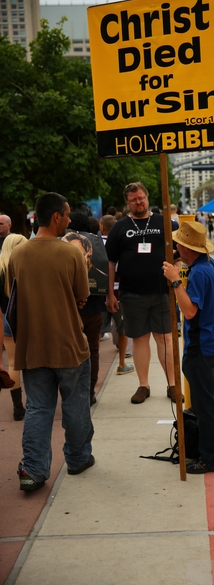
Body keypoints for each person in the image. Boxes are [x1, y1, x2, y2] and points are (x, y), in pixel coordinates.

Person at [8, 192, 94, 492]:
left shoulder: (17, 254)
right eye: (67, 214)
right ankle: (78, 458)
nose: (70, 220)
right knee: (76, 406)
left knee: (38, 409)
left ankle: (33, 470)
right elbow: (82, 295)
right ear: (57, 216)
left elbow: (13, 298)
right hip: (70, 344)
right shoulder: (71, 253)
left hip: (32, 346)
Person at [163, 221, 214, 474]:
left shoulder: (198, 272)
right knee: (206, 402)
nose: (176, 247)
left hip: (202, 346)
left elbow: (189, 311)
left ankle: (213, 457)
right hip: (212, 342)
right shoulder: (208, 265)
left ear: (186, 247)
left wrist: (176, 282)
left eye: (179, 244)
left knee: (204, 406)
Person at [106, 182, 179, 405]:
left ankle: (172, 385)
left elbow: (180, 250)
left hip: (162, 291)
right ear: (127, 203)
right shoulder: (119, 227)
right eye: (133, 200)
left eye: (141, 198)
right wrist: (110, 293)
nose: (139, 202)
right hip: (131, 294)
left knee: (165, 338)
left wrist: (176, 271)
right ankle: (143, 385)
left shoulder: (164, 222)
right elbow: (111, 262)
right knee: (139, 339)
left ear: (147, 198)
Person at [65, 212, 107, 406]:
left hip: (70, 308)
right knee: (93, 350)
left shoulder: (65, 242)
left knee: (70, 351)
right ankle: (89, 392)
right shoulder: (97, 242)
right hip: (95, 306)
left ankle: (72, 393)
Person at [99, 215, 134, 375]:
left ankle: (94, 365)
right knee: (122, 329)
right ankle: (121, 363)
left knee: (97, 330)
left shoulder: (97, 244)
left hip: (99, 291)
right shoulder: (120, 245)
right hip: (118, 291)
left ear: (102, 226)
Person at [0, 234, 28, 420]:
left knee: (13, 362)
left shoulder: (1, 269)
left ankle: (18, 407)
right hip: (27, 319)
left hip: (6, 319)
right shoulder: (24, 267)